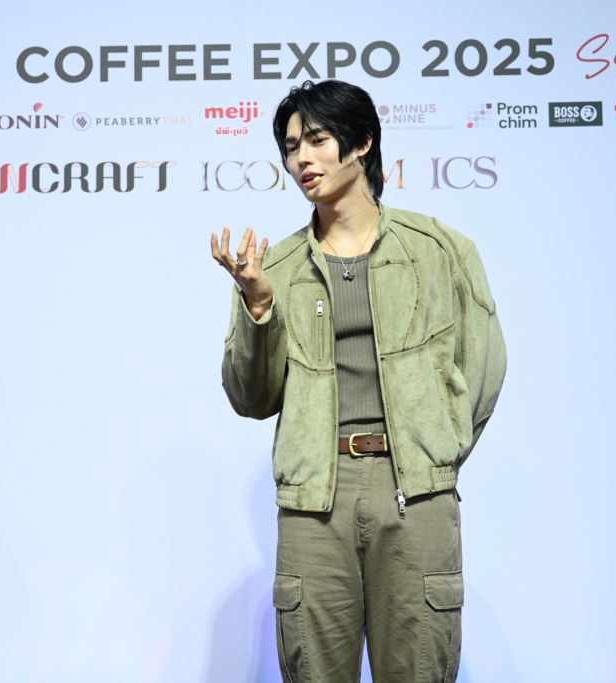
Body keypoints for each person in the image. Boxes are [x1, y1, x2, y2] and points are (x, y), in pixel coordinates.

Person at [210, 80, 506, 683]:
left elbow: (482, 370)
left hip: (417, 493)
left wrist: (433, 453)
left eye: (317, 140)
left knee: (420, 668)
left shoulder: (441, 249)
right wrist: (258, 306)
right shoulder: (275, 266)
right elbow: (250, 398)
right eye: (291, 147)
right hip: (315, 501)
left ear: (362, 142)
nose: (301, 159)